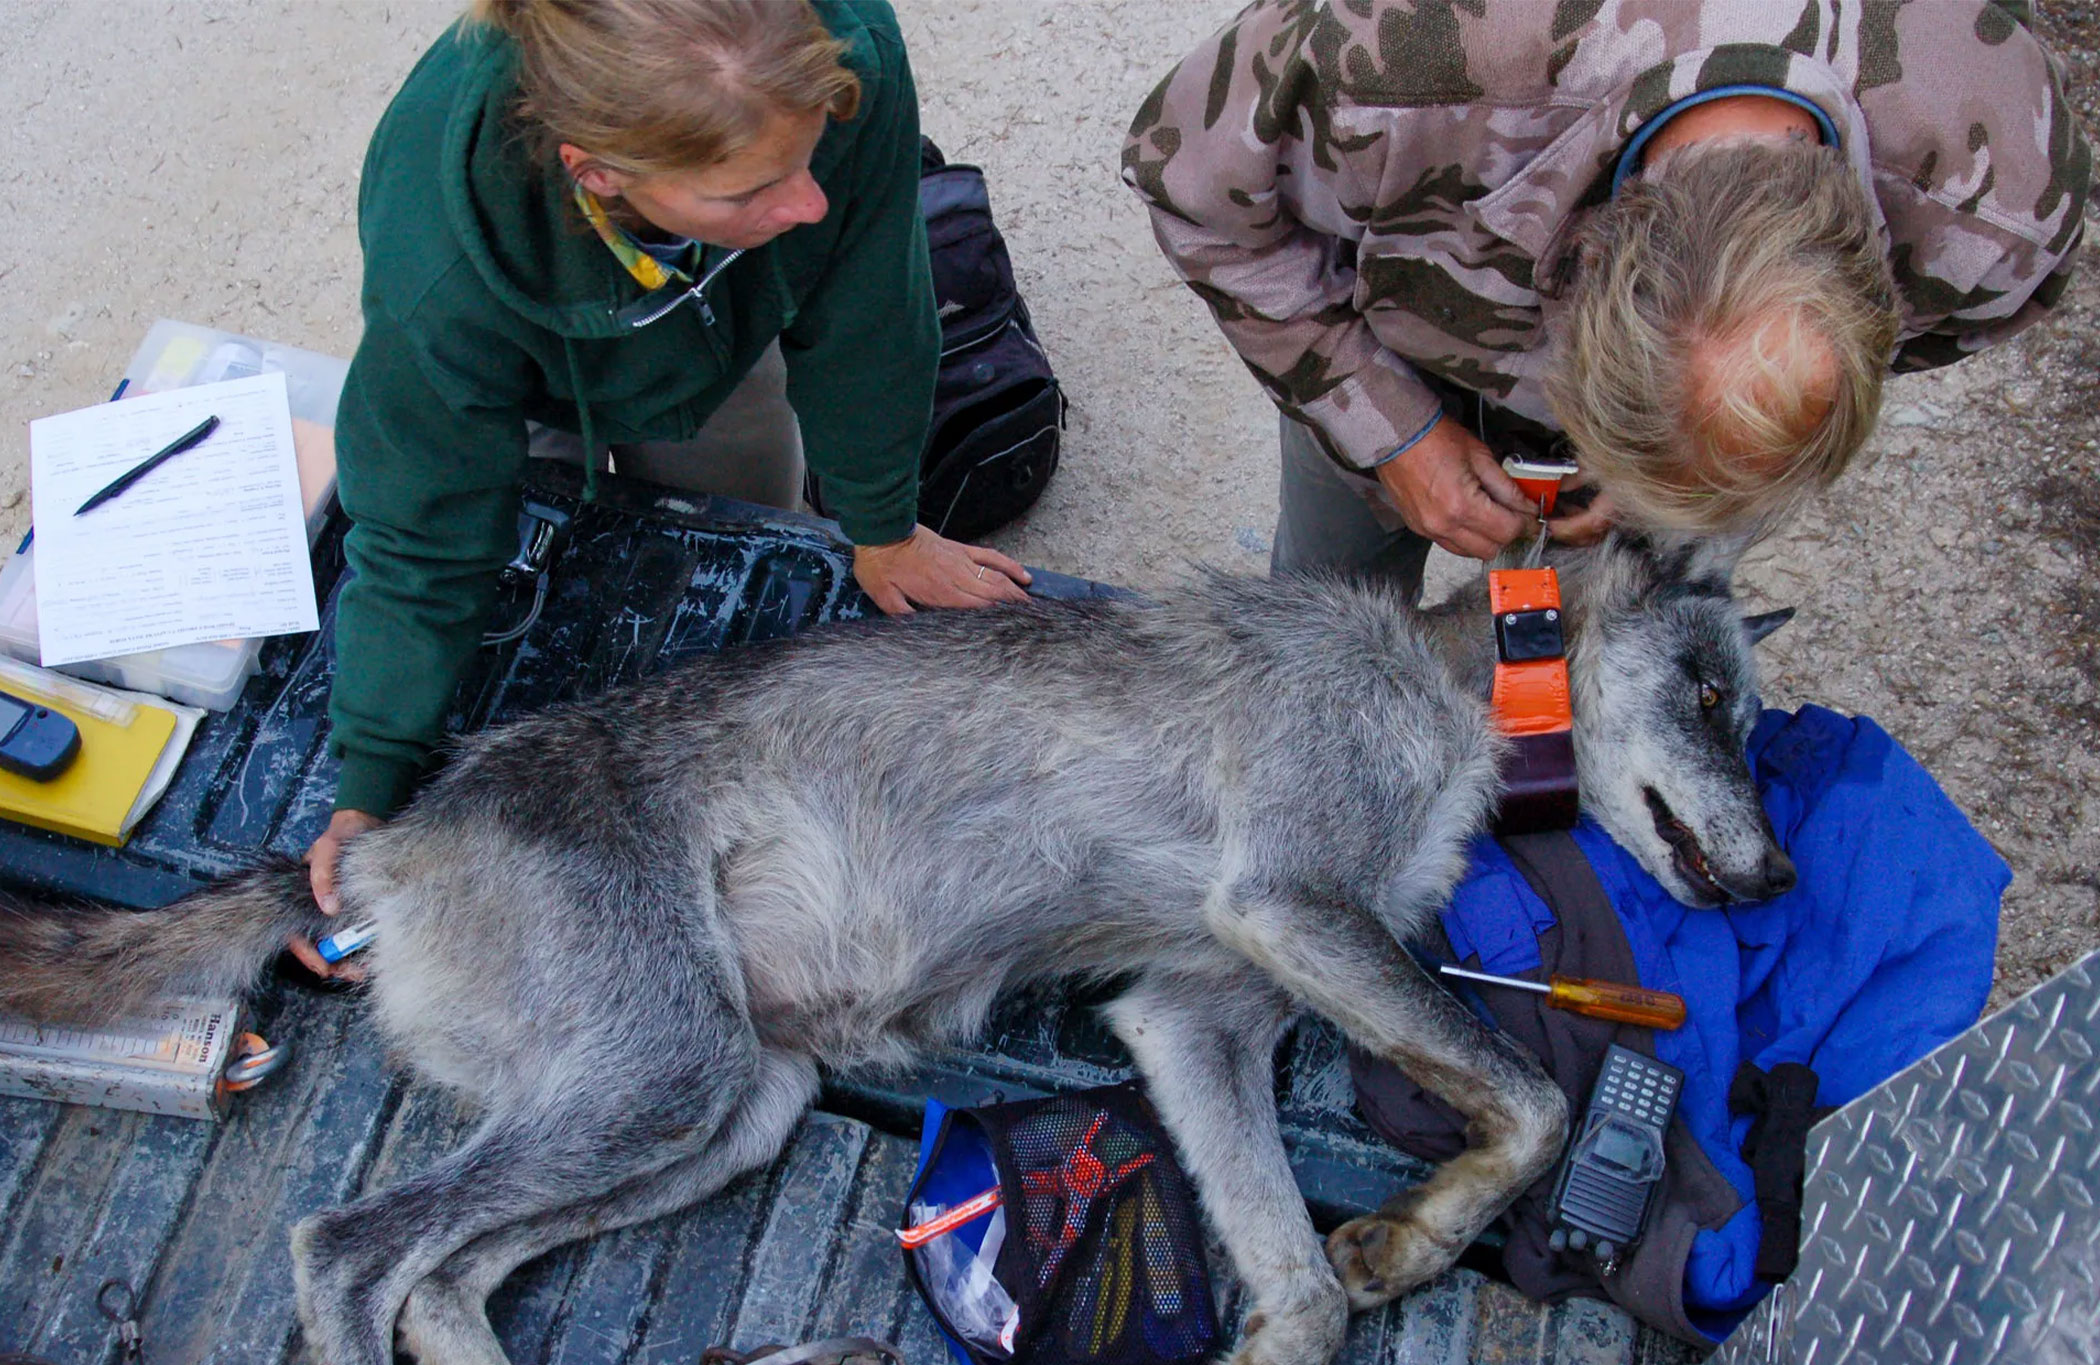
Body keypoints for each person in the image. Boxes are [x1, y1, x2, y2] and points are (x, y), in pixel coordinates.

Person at [298, 0, 1030, 972]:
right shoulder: (446, 270)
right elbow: (421, 527)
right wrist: (374, 779)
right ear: (596, 173)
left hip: (718, 310)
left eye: (809, 159)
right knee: (520, 498)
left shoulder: (836, 52)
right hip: (532, 338)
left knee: (741, 478)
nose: (809, 205)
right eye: (752, 188)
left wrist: (883, 522)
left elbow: (869, 315)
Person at [1124, 0, 2089, 597]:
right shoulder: (1399, 55)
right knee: (1328, 609)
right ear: (1575, 264)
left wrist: (1675, 489)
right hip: (1399, 337)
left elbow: (1973, 318)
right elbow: (1191, 189)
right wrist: (1390, 431)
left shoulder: (2002, 193)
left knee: (1628, 624)